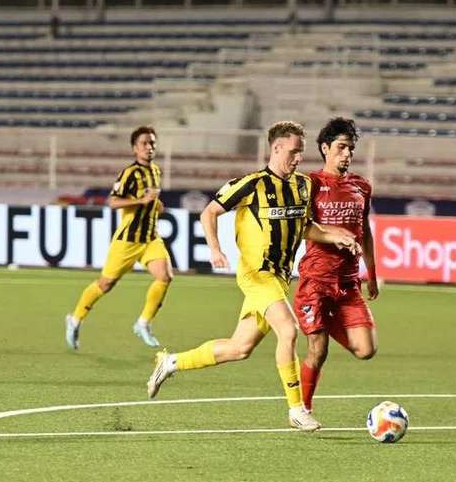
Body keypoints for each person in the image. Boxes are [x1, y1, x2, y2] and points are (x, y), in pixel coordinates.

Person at [145, 121, 361, 432]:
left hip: (279, 277)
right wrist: (214, 248)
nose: (299, 157)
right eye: (294, 151)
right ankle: (297, 409)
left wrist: (332, 236)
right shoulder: (251, 184)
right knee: (288, 331)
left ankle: (171, 362)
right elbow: (209, 212)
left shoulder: (302, 185)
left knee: (239, 348)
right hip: (256, 275)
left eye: (301, 151)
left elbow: (303, 226)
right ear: (276, 148)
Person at [294, 117, 380, 415]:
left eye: (351, 149)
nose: (347, 154)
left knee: (367, 350)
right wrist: (333, 235)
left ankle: (322, 322)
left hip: (348, 283)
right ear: (325, 148)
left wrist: (372, 272)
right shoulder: (310, 183)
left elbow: (364, 230)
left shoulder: (362, 186)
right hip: (316, 281)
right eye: (342, 147)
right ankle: (301, 410)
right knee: (318, 351)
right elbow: (302, 227)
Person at [65, 125, 172, 350]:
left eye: (152, 142)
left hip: (151, 238)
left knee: (164, 277)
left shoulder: (156, 171)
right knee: (105, 284)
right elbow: (113, 202)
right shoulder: (129, 174)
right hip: (127, 240)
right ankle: (74, 320)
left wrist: (156, 205)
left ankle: (143, 323)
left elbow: (151, 200)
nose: (149, 147)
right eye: (144, 143)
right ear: (134, 148)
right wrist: (140, 202)